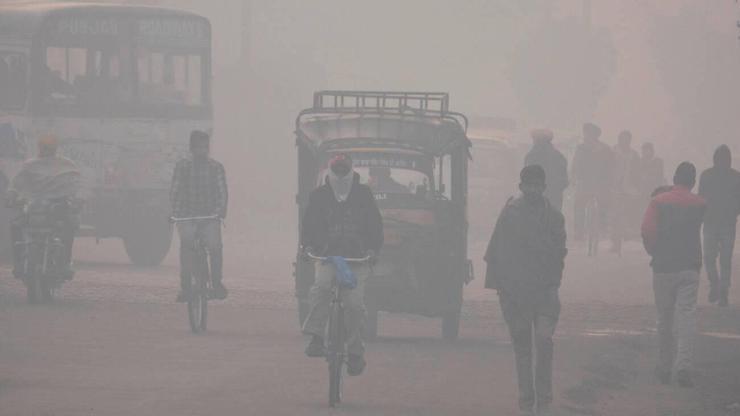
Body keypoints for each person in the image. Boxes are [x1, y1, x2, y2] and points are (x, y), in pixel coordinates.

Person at [484, 165, 567, 416]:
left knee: (544, 341)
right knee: (522, 348)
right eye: (528, 185)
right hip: (515, 294)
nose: (533, 189)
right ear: (521, 187)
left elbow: (559, 254)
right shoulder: (510, 213)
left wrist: (553, 284)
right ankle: (526, 402)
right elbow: (496, 253)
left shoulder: (554, 217)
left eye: (537, 185)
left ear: (544, 187)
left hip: (544, 292)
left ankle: (544, 400)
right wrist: (504, 292)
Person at [300, 153, 383, 376]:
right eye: (335, 171)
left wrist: (373, 249)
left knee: (355, 305)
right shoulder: (319, 196)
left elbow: (375, 226)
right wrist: (307, 247)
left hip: (357, 259)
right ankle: (316, 337)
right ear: (330, 171)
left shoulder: (364, 195)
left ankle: (355, 353)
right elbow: (308, 226)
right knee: (320, 288)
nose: (339, 175)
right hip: (327, 257)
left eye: (343, 171)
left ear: (350, 172)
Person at [641, 162, 705, 387]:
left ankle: (664, 365)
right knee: (686, 316)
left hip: (664, 267)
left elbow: (647, 230)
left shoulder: (658, 202)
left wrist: (654, 250)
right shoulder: (700, 204)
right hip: (690, 265)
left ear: (674, 179)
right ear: (693, 181)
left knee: (665, 318)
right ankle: (684, 366)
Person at [8, 134, 81, 280]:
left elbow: (77, 184)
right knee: (15, 225)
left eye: (48, 147)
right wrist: (11, 196)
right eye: (44, 147)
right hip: (34, 206)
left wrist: (79, 199)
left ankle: (65, 262)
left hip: (58, 207)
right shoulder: (30, 165)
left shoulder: (66, 165)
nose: (46, 150)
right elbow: (16, 184)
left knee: (69, 227)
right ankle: (18, 262)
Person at [170, 130, 228, 302]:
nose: (202, 151)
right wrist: (176, 212)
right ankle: (186, 288)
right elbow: (175, 191)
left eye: (205, 147)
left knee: (215, 247)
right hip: (187, 217)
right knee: (186, 245)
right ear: (191, 148)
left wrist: (219, 212)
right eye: (198, 147)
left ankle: (216, 284)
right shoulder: (182, 167)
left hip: (210, 218)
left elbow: (222, 193)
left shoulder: (216, 167)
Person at [698, 145, 740, 306]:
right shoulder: (736, 176)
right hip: (726, 223)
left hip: (711, 222)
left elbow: (701, 198)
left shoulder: (707, 175)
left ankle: (716, 285)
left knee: (709, 258)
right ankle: (722, 289)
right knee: (725, 259)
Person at [571, 123, 614, 241]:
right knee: (579, 204)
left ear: (595, 135)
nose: (586, 136)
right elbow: (575, 165)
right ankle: (579, 231)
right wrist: (574, 177)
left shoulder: (606, 149)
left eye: (588, 133)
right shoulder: (580, 148)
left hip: (601, 183)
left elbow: (611, 167)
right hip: (585, 182)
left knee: (604, 202)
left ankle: (603, 226)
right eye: (585, 133)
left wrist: (609, 181)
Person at [610, 130, 641, 253]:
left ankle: (626, 230)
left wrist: (637, 187)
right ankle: (615, 241)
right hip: (613, 187)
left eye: (627, 139)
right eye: (622, 139)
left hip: (629, 188)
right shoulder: (612, 152)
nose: (624, 142)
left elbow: (638, 173)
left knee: (625, 212)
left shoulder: (634, 155)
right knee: (615, 215)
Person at [524, 129, 569, 211]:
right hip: (555, 198)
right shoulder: (559, 156)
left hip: (535, 198)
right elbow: (564, 181)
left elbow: (526, 178)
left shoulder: (531, 156)